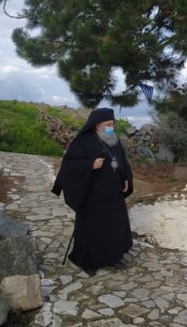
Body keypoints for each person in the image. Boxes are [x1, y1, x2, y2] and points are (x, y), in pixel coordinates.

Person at [52, 108, 133, 276]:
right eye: (108, 125)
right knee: (92, 229)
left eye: (113, 124)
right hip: (93, 195)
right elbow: (69, 165)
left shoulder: (112, 138)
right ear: (97, 125)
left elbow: (122, 160)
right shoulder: (83, 141)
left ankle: (114, 257)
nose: (111, 128)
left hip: (113, 194)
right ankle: (88, 262)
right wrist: (90, 164)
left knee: (115, 227)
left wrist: (126, 178)